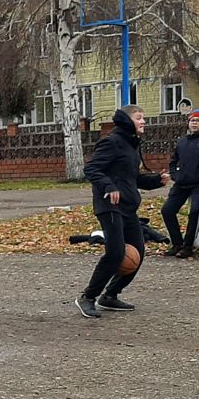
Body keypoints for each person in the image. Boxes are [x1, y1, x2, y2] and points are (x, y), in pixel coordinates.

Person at [75, 105, 170, 318]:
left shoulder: (132, 144)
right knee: (116, 252)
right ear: (127, 120)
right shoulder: (112, 142)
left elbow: (131, 179)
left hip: (127, 207)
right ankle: (87, 297)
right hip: (109, 205)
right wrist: (109, 186)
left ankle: (110, 295)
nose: (143, 121)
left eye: (143, 117)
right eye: (139, 118)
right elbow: (91, 169)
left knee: (137, 253)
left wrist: (156, 180)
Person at [161, 109, 199, 258]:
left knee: (194, 212)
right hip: (181, 183)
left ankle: (188, 246)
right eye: (192, 120)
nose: (194, 123)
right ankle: (177, 243)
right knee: (167, 210)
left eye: (198, 120)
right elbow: (173, 161)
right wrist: (175, 175)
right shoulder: (182, 141)